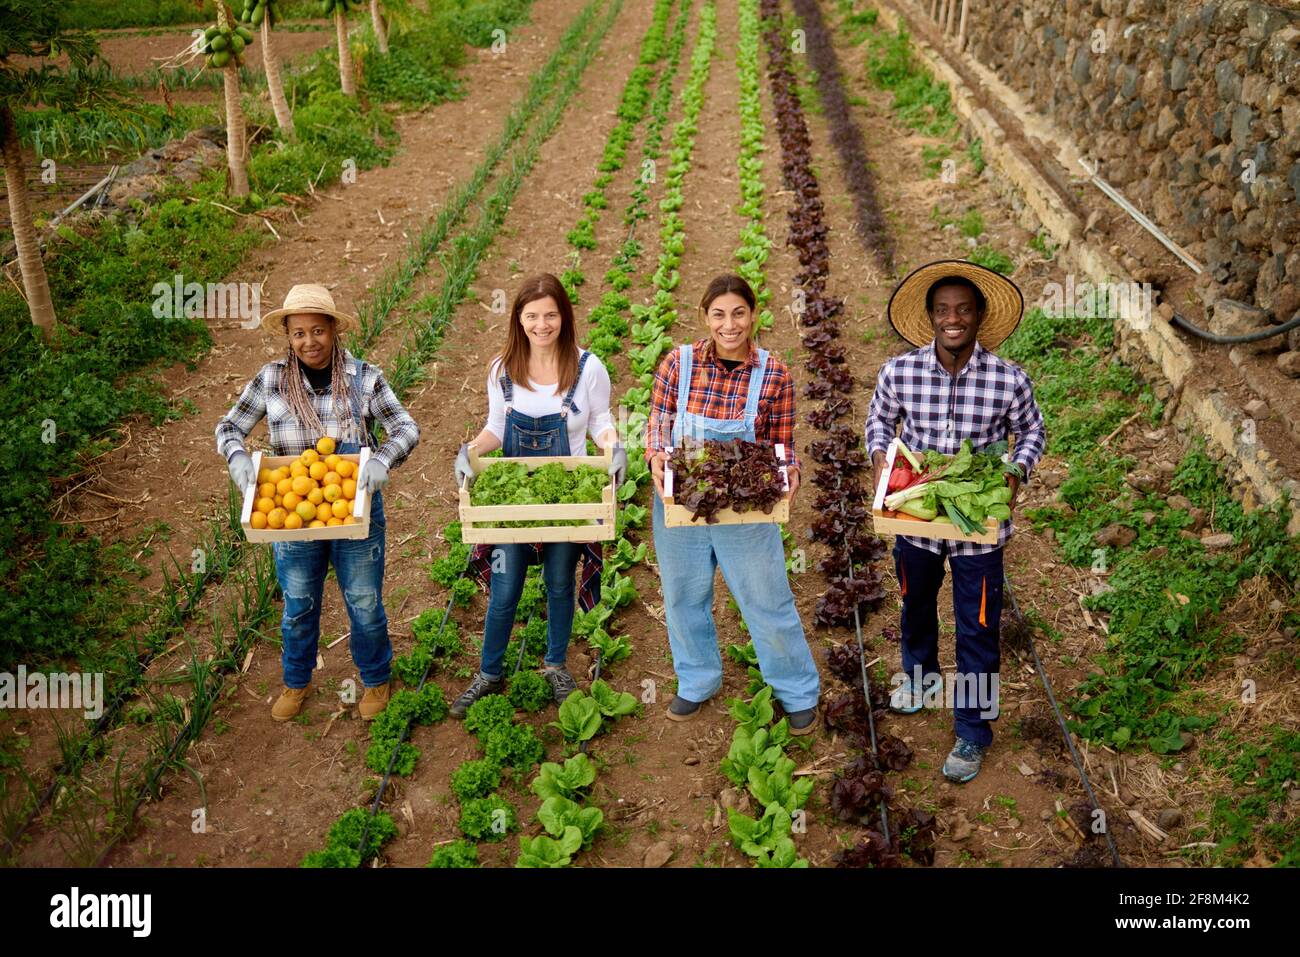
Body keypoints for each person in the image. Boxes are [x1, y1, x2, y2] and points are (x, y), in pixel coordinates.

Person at [865, 260, 1045, 783]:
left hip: (977, 525)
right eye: (943, 310)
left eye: (963, 310)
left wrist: (1014, 474)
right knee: (915, 603)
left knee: (978, 627)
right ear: (930, 318)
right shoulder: (900, 371)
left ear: (979, 317)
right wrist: (882, 457)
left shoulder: (1008, 380)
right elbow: (879, 418)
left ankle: (972, 729)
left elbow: (1032, 433)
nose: (953, 319)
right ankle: (919, 679)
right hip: (917, 512)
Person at [216, 283, 420, 722]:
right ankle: (296, 681)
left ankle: (376, 677)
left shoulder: (364, 378)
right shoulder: (271, 379)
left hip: (353, 507)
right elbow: (229, 427)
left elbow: (405, 427)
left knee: (364, 600)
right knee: (299, 602)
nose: (309, 342)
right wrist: (236, 457)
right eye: (298, 334)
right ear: (288, 337)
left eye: (317, 331)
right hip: (291, 514)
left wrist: (383, 458)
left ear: (333, 331)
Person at [646, 274, 820, 733]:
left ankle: (795, 689)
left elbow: (782, 444)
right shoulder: (677, 365)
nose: (730, 324)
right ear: (705, 317)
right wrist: (657, 461)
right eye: (719, 314)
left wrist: (790, 471)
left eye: (739, 313)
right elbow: (657, 433)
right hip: (681, 503)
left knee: (765, 596)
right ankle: (697, 680)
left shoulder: (774, 374)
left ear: (754, 315)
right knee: (684, 595)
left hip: (745, 511)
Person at [450, 273, 627, 716]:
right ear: (519, 319)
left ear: (564, 317)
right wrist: (469, 451)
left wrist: (614, 445)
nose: (542, 324)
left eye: (551, 315)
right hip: (513, 502)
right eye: (532, 316)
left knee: (559, 582)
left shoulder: (588, 368)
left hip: (567, 496)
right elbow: (495, 428)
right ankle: (489, 673)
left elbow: (601, 420)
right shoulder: (501, 369)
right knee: (505, 588)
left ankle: (555, 665)